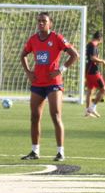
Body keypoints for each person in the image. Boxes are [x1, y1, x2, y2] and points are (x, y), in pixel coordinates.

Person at [20, 12, 79, 161]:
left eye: (44, 21)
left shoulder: (57, 38)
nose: (41, 23)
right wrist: (28, 72)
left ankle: (60, 152)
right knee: (34, 117)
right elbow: (23, 55)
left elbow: (74, 55)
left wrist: (61, 70)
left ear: (50, 23)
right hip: (38, 83)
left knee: (56, 115)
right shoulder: (33, 39)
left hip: (54, 83)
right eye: (39, 21)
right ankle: (35, 151)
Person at [84, 31, 105, 118]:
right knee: (103, 90)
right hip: (93, 72)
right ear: (100, 38)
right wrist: (102, 61)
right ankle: (92, 108)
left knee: (90, 91)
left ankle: (87, 111)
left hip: (88, 71)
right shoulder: (93, 45)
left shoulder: (89, 44)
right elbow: (92, 58)